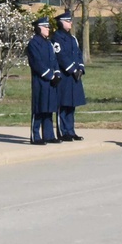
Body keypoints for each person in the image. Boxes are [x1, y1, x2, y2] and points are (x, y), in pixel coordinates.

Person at [51, 9, 85, 142]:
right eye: (68, 21)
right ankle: (62, 132)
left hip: (74, 77)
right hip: (65, 77)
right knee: (63, 105)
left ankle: (71, 131)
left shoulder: (73, 38)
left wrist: (80, 68)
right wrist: (72, 70)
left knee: (72, 105)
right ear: (61, 23)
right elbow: (61, 56)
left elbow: (78, 54)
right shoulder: (56, 38)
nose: (71, 23)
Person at [26, 17, 61, 145]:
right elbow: (36, 63)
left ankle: (49, 135)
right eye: (45, 27)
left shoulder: (48, 43)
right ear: (38, 28)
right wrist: (50, 75)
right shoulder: (33, 43)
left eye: (48, 27)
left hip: (51, 81)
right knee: (39, 108)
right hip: (40, 81)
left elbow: (54, 60)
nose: (48, 29)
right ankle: (35, 136)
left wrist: (57, 73)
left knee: (49, 108)